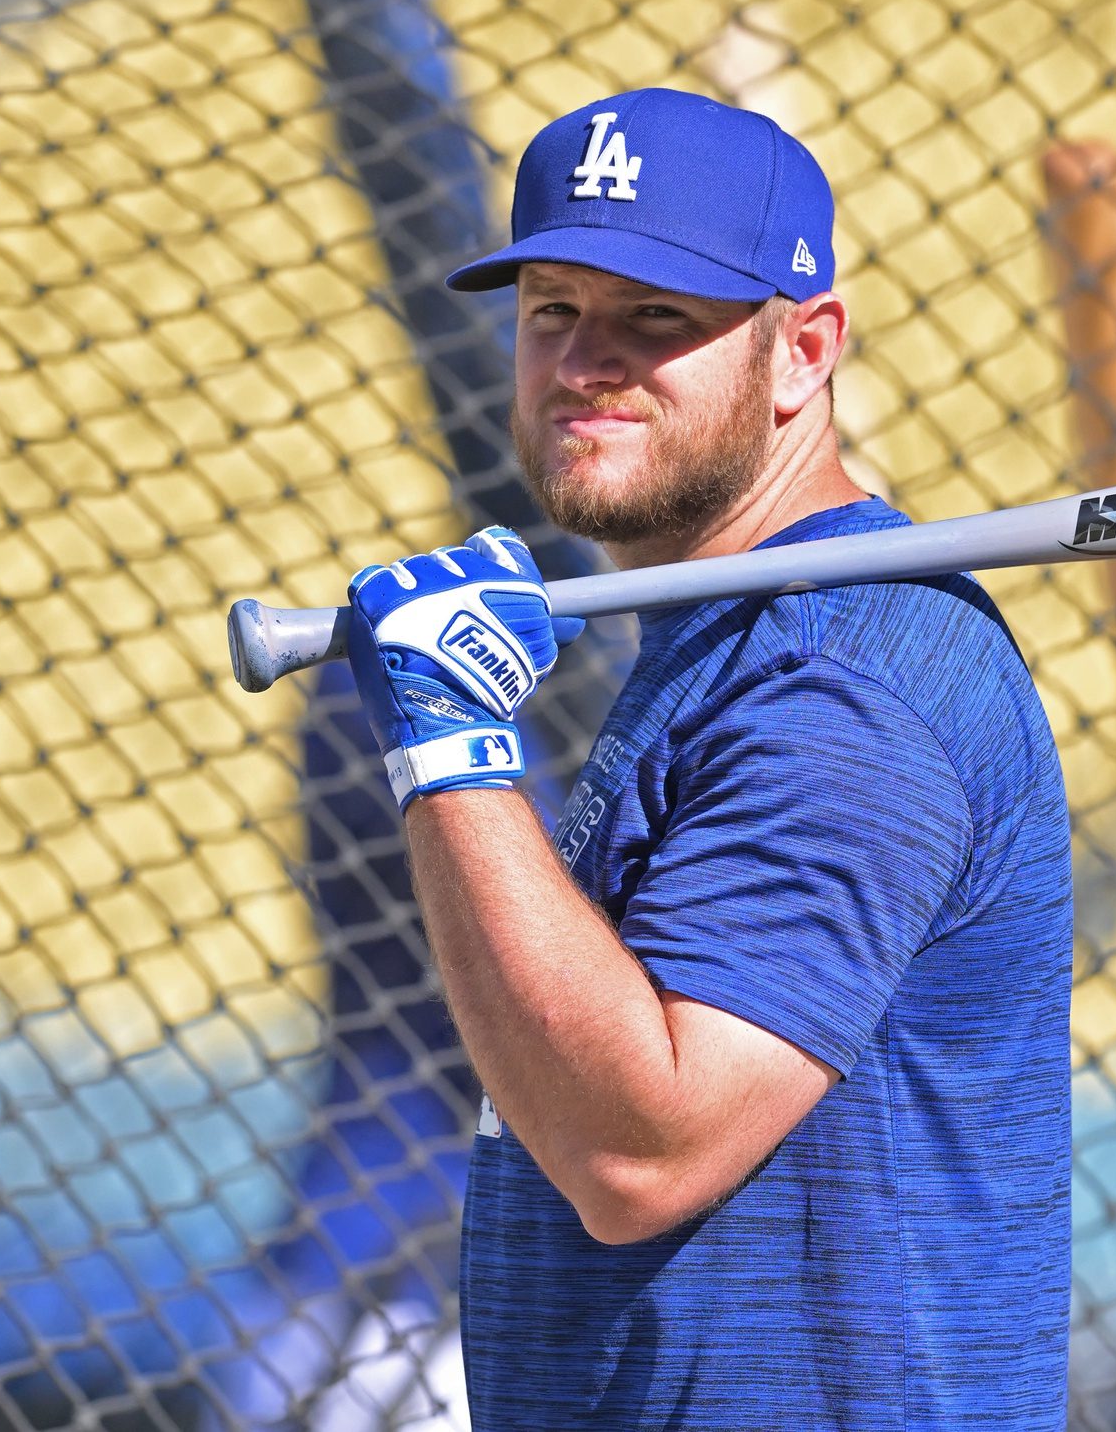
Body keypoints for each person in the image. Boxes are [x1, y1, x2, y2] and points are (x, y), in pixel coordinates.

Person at [338, 88, 1074, 1428]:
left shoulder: (837, 690)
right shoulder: (733, 639)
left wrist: (452, 754)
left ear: (804, 354)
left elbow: (640, 1151)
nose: (581, 363)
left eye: (657, 319)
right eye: (551, 309)